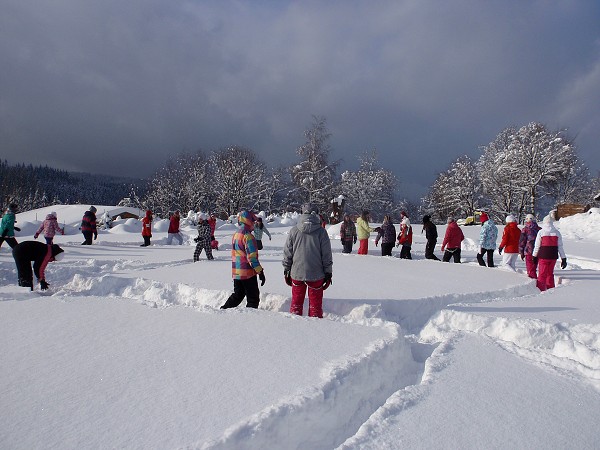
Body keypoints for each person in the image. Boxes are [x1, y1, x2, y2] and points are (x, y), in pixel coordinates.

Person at [282, 203, 333, 318]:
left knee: (296, 304)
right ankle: (315, 329)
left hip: (297, 272)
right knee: (315, 307)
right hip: (316, 274)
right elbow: (326, 255)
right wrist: (328, 272)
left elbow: (288, 253)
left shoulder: (294, 231)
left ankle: (294, 327)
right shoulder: (321, 232)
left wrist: (286, 269)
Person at [220, 210, 265, 309]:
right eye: (252, 221)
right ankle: (249, 319)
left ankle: (224, 310)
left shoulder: (236, 234)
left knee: (238, 295)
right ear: (248, 221)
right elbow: (252, 257)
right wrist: (260, 271)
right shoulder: (248, 236)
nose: (254, 223)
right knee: (253, 298)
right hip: (247, 272)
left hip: (236, 271)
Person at [532, 215, 567, 291]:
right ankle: (550, 289)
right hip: (553, 256)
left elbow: (537, 246)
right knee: (550, 273)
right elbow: (560, 246)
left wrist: (534, 256)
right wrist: (563, 258)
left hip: (543, 256)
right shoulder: (557, 232)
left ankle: (540, 289)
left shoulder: (541, 232)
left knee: (542, 274)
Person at [519, 214, 541, 279]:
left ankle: (533, 284)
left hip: (529, 251)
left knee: (530, 269)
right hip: (538, 252)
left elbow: (522, 242)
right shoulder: (539, 229)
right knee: (534, 267)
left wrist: (521, 252)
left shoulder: (525, 229)